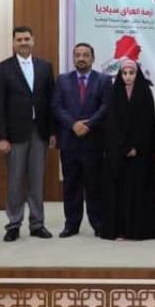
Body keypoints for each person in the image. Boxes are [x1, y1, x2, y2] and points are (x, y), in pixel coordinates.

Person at [0, 26, 55, 242]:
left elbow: (51, 101)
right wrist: (1, 136)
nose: (23, 43)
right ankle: (13, 224)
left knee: (37, 180)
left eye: (26, 39)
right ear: (13, 43)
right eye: (19, 39)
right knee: (15, 181)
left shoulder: (45, 67)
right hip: (14, 134)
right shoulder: (2, 68)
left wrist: (52, 131)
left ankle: (37, 224)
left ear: (33, 41)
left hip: (40, 132)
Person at [52, 42, 111, 238]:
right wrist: (73, 125)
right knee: (71, 185)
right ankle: (71, 225)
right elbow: (57, 106)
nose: (81, 58)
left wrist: (89, 124)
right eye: (77, 55)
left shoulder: (104, 80)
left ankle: (98, 223)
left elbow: (106, 106)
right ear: (73, 58)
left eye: (86, 55)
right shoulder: (62, 80)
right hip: (69, 142)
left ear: (93, 58)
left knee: (95, 186)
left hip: (94, 142)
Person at [100, 59, 155, 240]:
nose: (128, 77)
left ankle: (138, 230)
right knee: (118, 191)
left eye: (131, 73)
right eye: (124, 73)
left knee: (138, 190)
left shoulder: (145, 92)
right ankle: (119, 230)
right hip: (118, 153)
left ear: (137, 74)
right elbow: (111, 123)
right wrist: (123, 146)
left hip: (140, 154)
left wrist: (136, 146)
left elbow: (147, 124)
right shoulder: (113, 93)